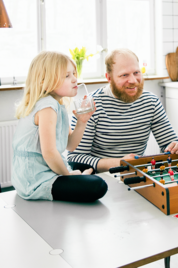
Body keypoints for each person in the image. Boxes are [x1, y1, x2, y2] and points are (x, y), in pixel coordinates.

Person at [67, 48, 178, 172]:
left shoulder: (151, 102)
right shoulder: (90, 105)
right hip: (100, 179)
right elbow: (75, 158)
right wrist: (119, 163)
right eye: (124, 75)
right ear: (109, 78)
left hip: (135, 174)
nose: (133, 81)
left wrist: (174, 147)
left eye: (136, 73)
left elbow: (169, 143)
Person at [12, 51, 108, 203]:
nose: (75, 79)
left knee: (86, 169)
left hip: (42, 171)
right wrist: (69, 177)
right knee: (98, 185)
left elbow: (70, 145)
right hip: (35, 179)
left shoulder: (58, 105)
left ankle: (78, 176)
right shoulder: (47, 107)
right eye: (67, 76)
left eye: (74, 74)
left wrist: (82, 121)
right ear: (44, 81)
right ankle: (77, 177)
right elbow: (49, 153)